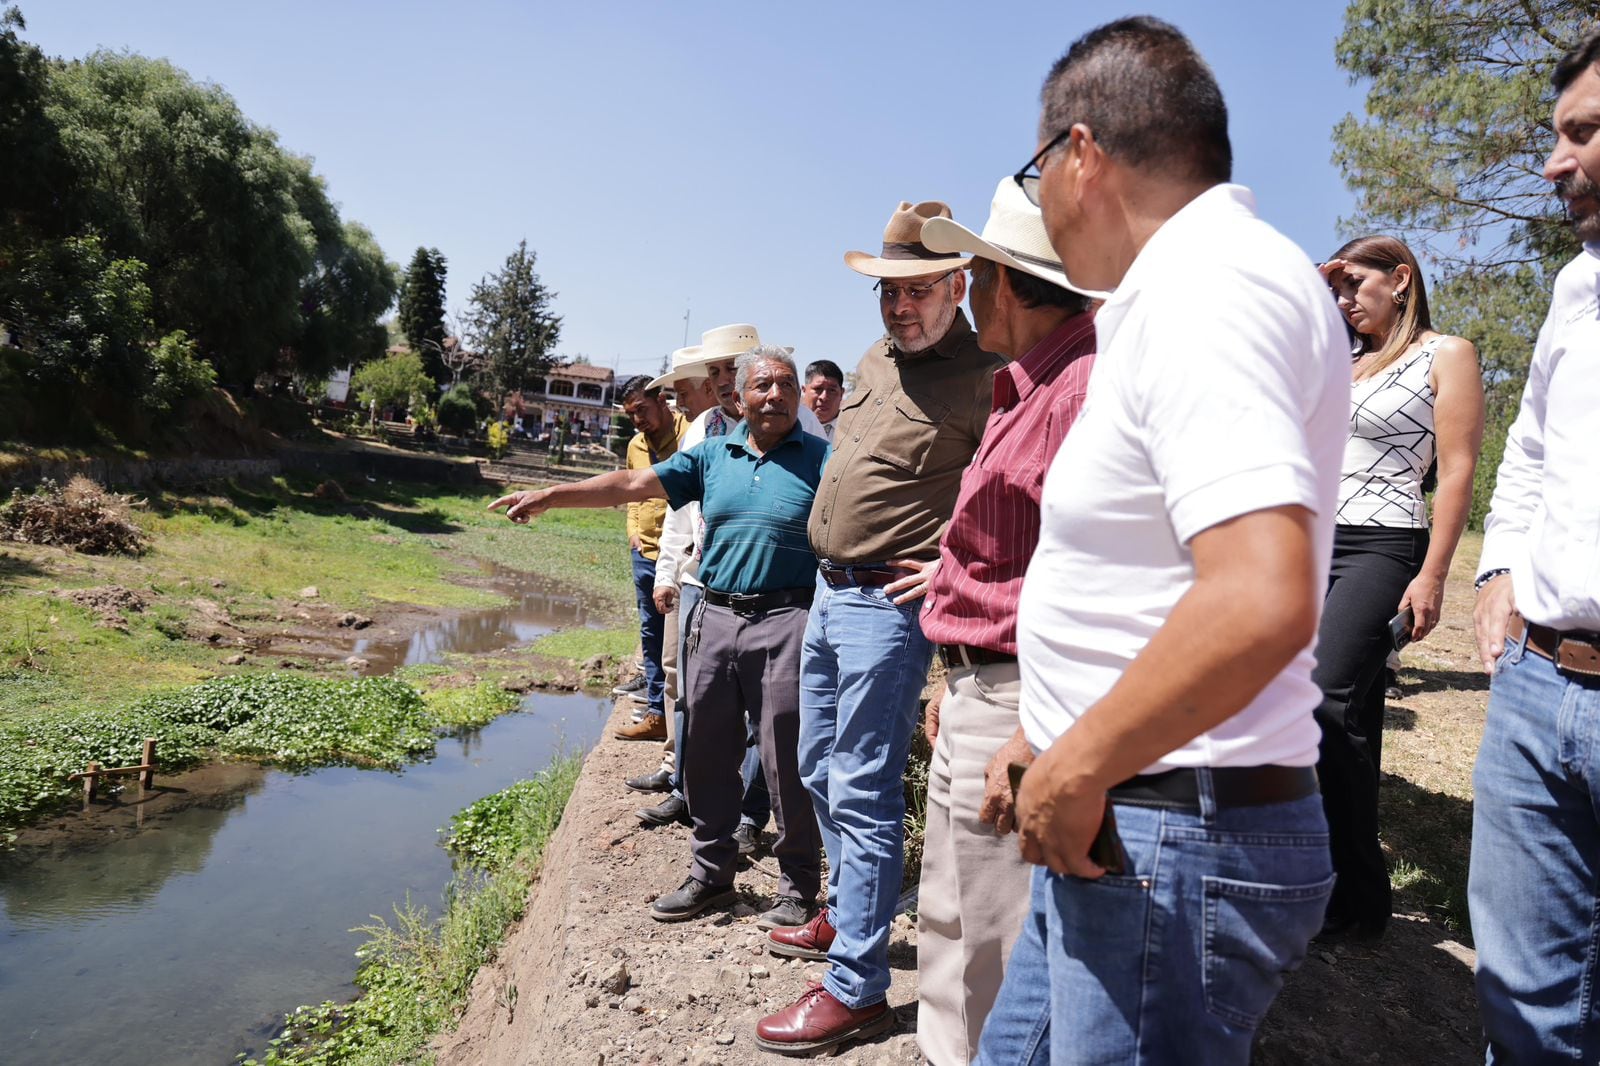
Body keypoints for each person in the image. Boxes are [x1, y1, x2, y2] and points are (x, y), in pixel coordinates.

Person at [978, 18, 1349, 1064]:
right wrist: (1050, 732)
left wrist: (1077, 759)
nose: (1041, 202)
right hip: (1129, 819)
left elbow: (1257, 597)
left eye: (1035, 168)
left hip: (1167, 835)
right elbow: (1154, 572)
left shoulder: (1207, 289)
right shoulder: (1177, 293)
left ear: (1080, 155)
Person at [757, 201, 1002, 1056]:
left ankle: (857, 987)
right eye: (889, 293)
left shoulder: (987, 377)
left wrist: (958, 563)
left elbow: (1015, 492)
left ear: (959, 285)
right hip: (828, 595)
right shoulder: (874, 359)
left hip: (887, 610)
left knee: (859, 786)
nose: (901, 307)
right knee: (820, 766)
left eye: (919, 290)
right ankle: (847, 915)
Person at [489, 348, 825, 927]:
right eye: (763, 385)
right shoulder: (713, 455)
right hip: (714, 617)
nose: (775, 395)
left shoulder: (825, 460)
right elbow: (631, 483)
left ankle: (798, 887)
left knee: (785, 758)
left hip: (787, 621)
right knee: (707, 753)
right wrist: (549, 496)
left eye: (786, 385)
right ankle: (711, 875)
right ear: (739, 398)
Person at [907, 177, 1097, 1066]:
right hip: (984, 684)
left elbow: (1094, 579)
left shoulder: (1080, 393)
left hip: (1026, 697)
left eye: (977, 275)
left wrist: (1031, 723)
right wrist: (956, 673)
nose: (968, 292)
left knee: (994, 938)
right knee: (950, 918)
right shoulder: (1024, 384)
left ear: (1012, 283)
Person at [1469, 30, 1600, 1062]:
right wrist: (1498, 565)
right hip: (1533, 688)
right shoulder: (1573, 289)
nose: (1554, 162)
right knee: (1522, 1012)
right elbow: (1530, 447)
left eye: (1584, 132)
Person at [1313, 236, 1483, 940]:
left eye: (1355, 283)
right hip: (1313, 541)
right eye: (1337, 289)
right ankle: (1352, 899)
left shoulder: (1448, 354)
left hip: (1384, 543)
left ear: (1401, 278)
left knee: (1324, 698)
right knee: (1347, 714)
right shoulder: (1339, 360)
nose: (1345, 298)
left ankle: (1347, 889)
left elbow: (1459, 467)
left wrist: (1434, 574)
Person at [633, 325, 825, 837]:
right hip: (708, 586)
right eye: (714, 372)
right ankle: (693, 802)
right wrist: (669, 571)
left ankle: (755, 817)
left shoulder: (804, 433)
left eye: (726, 369)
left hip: (782, 602)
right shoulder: (704, 432)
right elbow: (676, 507)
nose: (719, 380)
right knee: (700, 707)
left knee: (775, 727)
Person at [614, 375, 688, 742]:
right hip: (644, 552)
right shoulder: (635, 446)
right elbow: (632, 492)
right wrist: (632, 531)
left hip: (678, 554)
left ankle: (678, 715)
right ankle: (657, 712)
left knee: (679, 639)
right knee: (651, 633)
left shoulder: (691, 433)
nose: (637, 420)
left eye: (641, 410)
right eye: (631, 415)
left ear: (662, 400)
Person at [801, 360, 845, 442]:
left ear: (841, 393)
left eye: (832, 390)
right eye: (818, 389)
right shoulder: (788, 427)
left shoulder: (854, 430)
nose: (824, 397)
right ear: (804, 390)